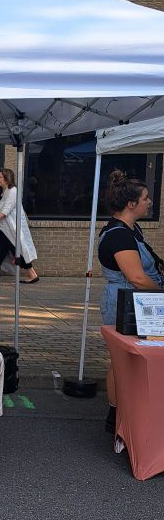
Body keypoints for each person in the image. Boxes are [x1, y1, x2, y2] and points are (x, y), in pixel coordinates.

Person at [98, 169, 164, 432]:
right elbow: (136, 277)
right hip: (126, 304)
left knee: (128, 361)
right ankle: (116, 416)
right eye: (146, 198)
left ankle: (127, 412)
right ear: (131, 204)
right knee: (122, 361)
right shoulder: (119, 235)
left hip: (137, 303)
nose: (150, 202)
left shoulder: (131, 229)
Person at [0, 168, 39, 283]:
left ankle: (32, 274)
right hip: (3, 227)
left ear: (7, 178)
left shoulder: (13, 192)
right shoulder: (6, 191)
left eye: (0, 177)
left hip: (11, 228)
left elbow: (5, 211)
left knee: (17, 251)